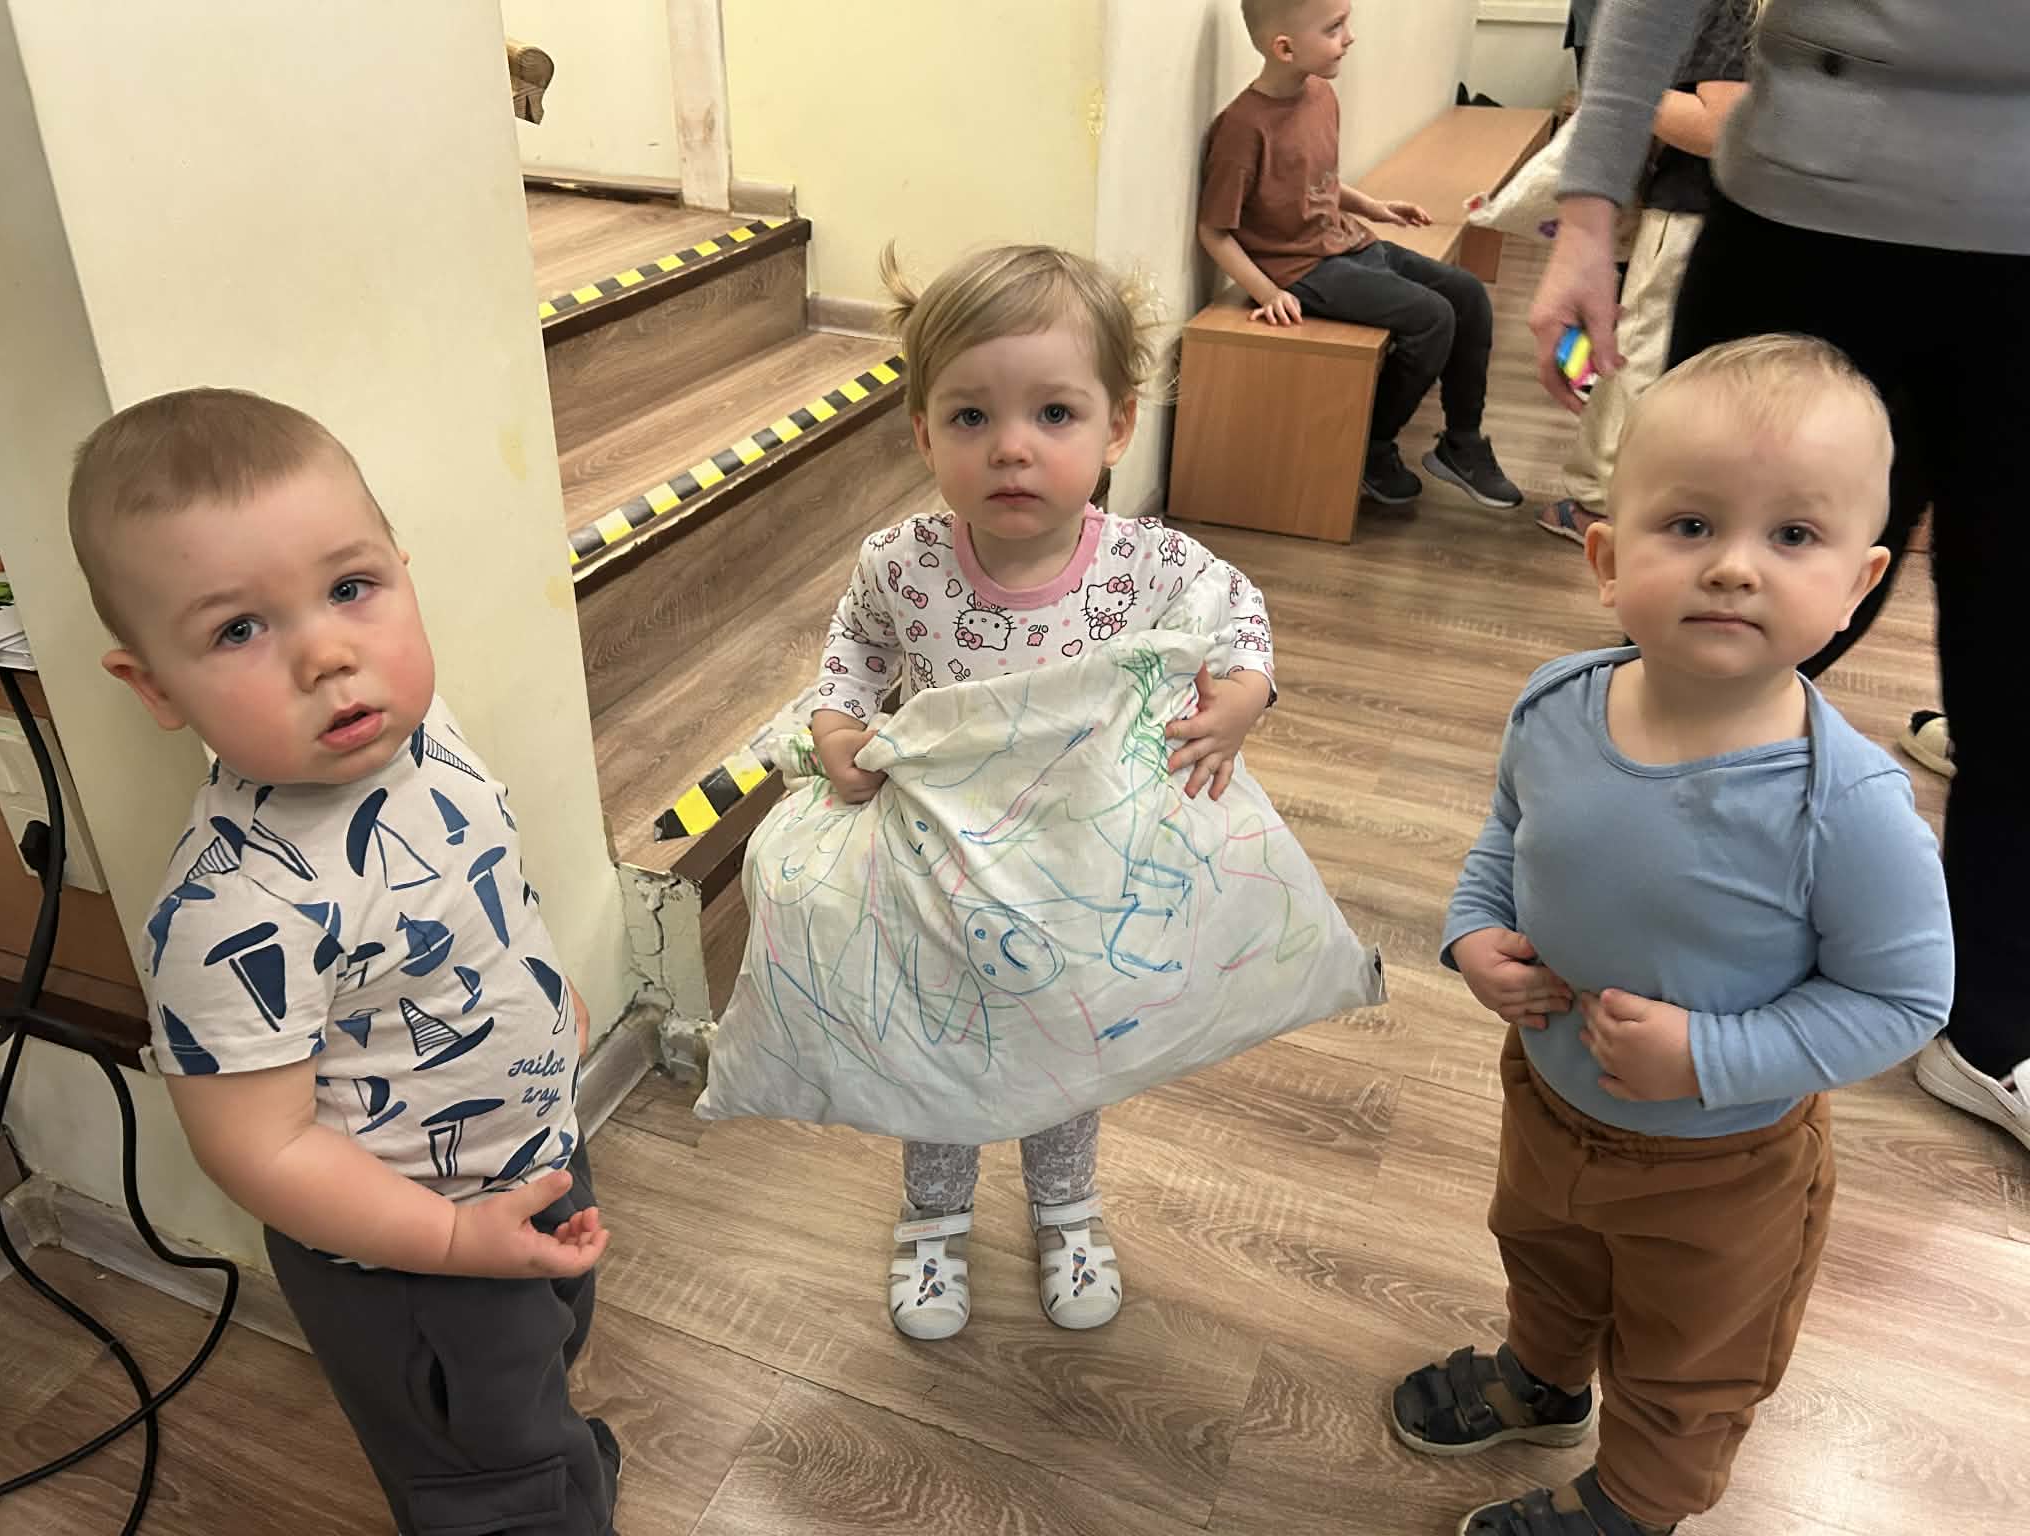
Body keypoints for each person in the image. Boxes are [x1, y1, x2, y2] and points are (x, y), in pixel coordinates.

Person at [1390, 338, 1952, 1536]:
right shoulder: (1554, 704)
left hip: (1723, 1163)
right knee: (1541, 1258)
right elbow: (1508, 835)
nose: (1733, 567)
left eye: (1790, 536)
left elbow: (1902, 1002)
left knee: (1690, 1354)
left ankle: (1633, 1504)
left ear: (1856, 585)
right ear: (1605, 558)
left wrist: (1706, 1056)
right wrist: (1472, 929)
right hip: (1547, 1096)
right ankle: (1542, 1382)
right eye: (1689, 525)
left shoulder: (1845, 805)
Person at [66, 390, 621, 1536]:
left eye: (351, 588)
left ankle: (556, 1466)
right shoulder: (231, 911)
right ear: (154, 685)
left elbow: (472, 892)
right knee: (481, 1469)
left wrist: (541, 994)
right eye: (239, 629)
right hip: (414, 1261)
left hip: (530, 1159)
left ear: (402, 576)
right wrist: (453, 1242)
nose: (328, 653)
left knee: (541, 1369)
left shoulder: (421, 733)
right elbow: (257, 1147)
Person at [1528, 0, 2028, 1153]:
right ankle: (1622, 922)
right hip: (1805, 225)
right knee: (1701, 647)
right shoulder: (1556, 705)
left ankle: (1992, 1021)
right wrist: (1584, 213)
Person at [811, 244, 1277, 1340]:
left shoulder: (1147, 565)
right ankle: (933, 1219)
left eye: (1053, 414)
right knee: (942, 1047)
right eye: (970, 417)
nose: (1011, 447)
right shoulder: (900, 563)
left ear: (1117, 427)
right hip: (942, 867)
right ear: (922, 432)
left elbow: (1239, 610)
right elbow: (855, 651)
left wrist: (1244, 694)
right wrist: (835, 722)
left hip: (1082, 867)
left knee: (1065, 1048)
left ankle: (1066, 1207)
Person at [1197, 0, 1524, 511]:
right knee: (1432, 318)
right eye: (1333, 28)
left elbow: (1315, 183)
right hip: (1302, 270)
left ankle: (1462, 443)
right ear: (1285, 48)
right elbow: (1213, 230)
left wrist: (1374, 207)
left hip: (1349, 243)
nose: (1349, 37)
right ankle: (1371, 446)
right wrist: (1268, 292)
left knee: (1467, 294)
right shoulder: (1242, 128)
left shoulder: (1321, 95)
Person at [1539, 0, 1753, 547]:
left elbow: (1716, 124)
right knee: (1634, 350)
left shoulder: (1736, 11)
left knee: (1636, 356)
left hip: (1693, 212)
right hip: (1714, 210)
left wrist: (1621, 94)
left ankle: (1600, 506)